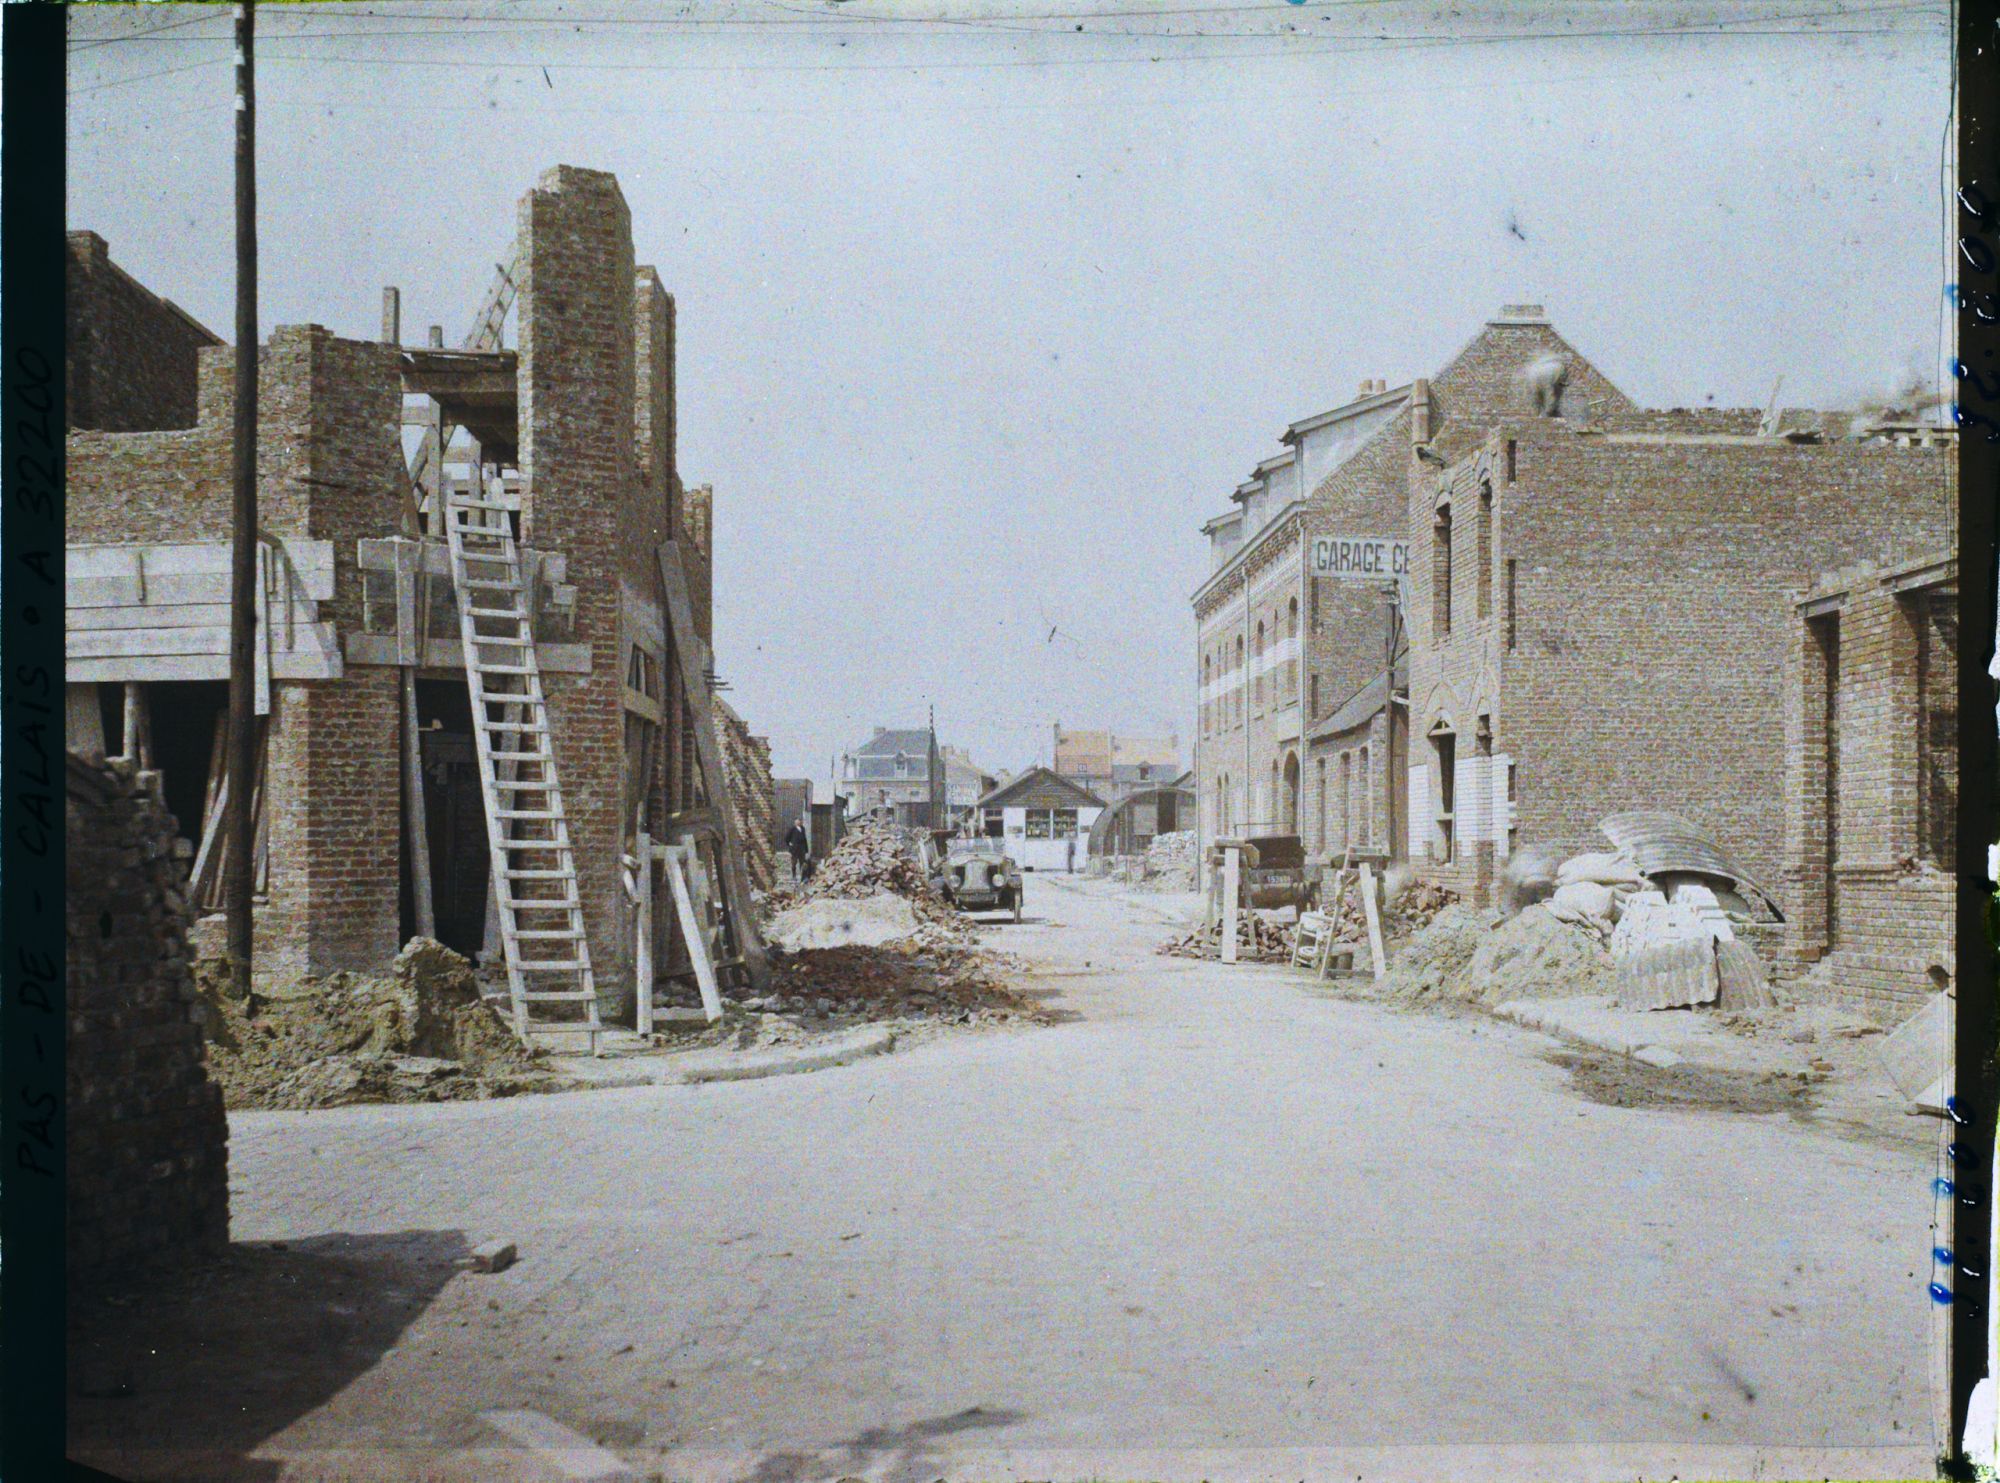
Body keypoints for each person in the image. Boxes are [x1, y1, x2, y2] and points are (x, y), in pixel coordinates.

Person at [784, 818, 811, 883]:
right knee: (794, 863)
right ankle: (794, 876)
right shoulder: (792, 829)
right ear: (795, 822)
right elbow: (786, 838)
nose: (798, 822)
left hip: (802, 849)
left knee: (803, 863)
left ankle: (803, 877)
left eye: (799, 821)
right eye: (797, 822)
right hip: (794, 849)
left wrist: (806, 849)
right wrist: (790, 845)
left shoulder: (803, 829)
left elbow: (805, 840)